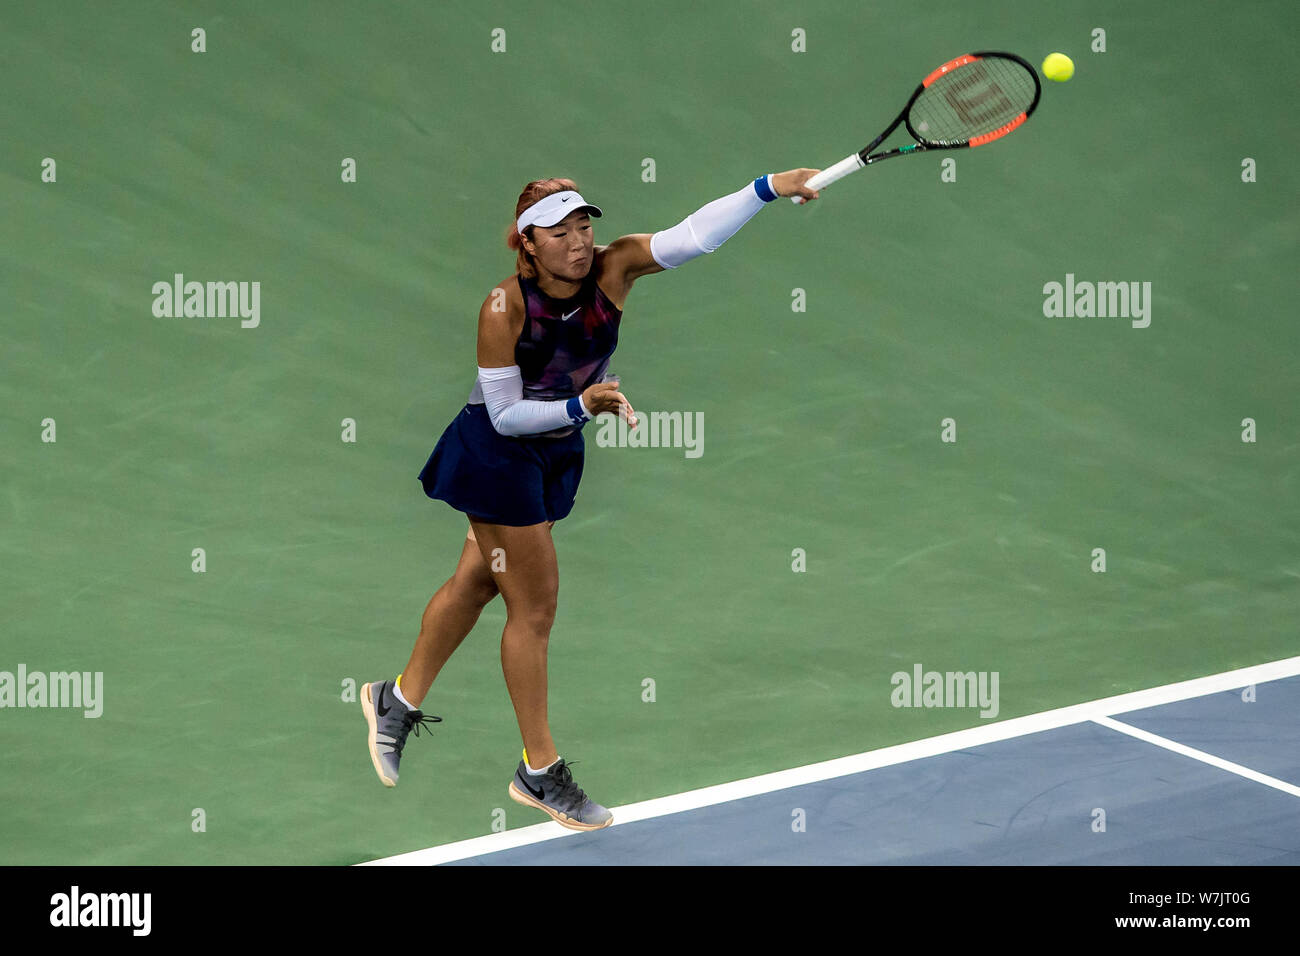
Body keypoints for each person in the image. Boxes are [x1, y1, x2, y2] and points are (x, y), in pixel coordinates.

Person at [361, 168, 822, 830]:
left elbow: (692, 237)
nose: (580, 241)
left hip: (553, 448)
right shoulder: (504, 307)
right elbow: (504, 413)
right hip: (499, 450)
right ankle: (539, 771)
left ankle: (395, 700)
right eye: (562, 231)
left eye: (585, 224)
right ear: (528, 244)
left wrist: (771, 186)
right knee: (535, 608)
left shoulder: (616, 268)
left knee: (479, 581)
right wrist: (581, 403)